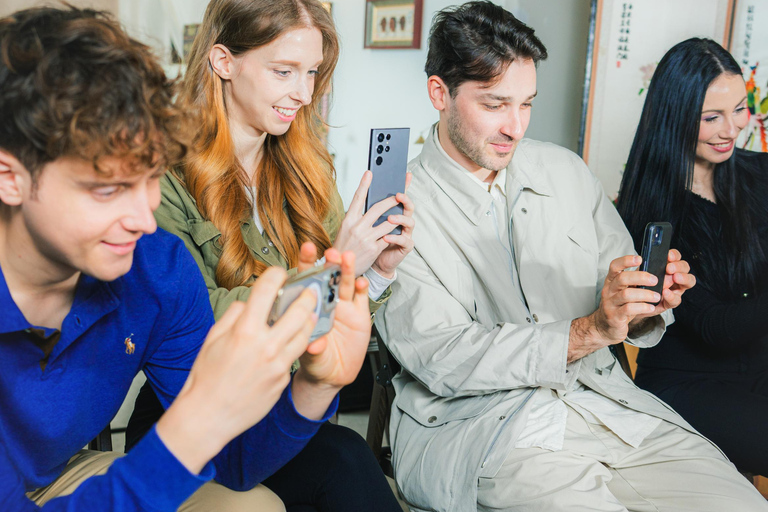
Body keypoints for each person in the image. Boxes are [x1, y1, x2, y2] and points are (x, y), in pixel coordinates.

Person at [375, 2, 768, 511]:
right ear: (439, 93)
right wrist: (591, 331)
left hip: (606, 407)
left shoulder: (565, 172)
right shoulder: (397, 210)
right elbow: (445, 359)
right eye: (495, 104)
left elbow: (623, 300)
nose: (515, 127)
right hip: (481, 432)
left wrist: (643, 302)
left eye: (527, 104)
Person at [0, 6, 373, 511]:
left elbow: (233, 463)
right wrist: (195, 423)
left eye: (150, 178)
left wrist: (315, 383)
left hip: (53, 472)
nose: (144, 217)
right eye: (108, 188)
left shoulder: (154, 266)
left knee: (253, 506)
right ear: (10, 177)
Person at [125, 1, 413, 510]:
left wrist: (373, 274)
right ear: (222, 61)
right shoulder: (163, 178)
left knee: (340, 458)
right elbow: (196, 318)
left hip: (298, 408)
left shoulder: (308, 169)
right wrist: (329, 273)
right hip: (194, 413)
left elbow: (335, 327)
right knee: (344, 462)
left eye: (312, 73)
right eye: (284, 71)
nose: (303, 95)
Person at [617, 38, 768, 476]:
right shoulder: (647, 215)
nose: (732, 128)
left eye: (740, 108)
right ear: (676, 117)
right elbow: (715, 328)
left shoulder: (760, 175)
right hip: (689, 383)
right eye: (711, 117)